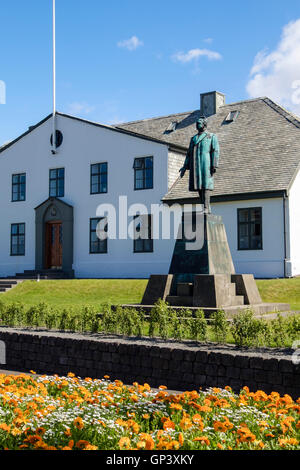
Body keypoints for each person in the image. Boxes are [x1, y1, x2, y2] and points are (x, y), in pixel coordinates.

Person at [179, 116, 219, 213]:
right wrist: (184, 167)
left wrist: (214, 165)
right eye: (196, 123)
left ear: (204, 124)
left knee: (205, 185)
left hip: (206, 163)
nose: (197, 124)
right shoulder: (193, 139)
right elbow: (189, 154)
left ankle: (206, 207)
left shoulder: (211, 136)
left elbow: (215, 150)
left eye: (199, 123)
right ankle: (205, 207)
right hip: (196, 164)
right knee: (199, 186)